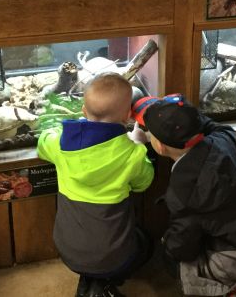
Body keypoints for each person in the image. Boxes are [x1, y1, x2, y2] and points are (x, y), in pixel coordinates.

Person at [132, 94, 236, 297]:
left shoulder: (185, 190)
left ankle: (225, 289)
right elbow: (215, 126)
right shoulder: (224, 139)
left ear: (158, 146)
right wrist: (185, 116)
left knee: (172, 259)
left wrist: (167, 243)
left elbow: (183, 245)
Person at [37, 72, 155, 297]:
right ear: (128, 116)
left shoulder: (60, 144)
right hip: (114, 256)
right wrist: (138, 144)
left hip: (68, 251)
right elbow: (144, 183)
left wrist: (57, 130)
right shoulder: (133, 155)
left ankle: (91, 280)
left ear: (83, 111)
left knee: (94, 245)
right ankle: (105, 283)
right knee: (145, 243)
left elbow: (43, 142)